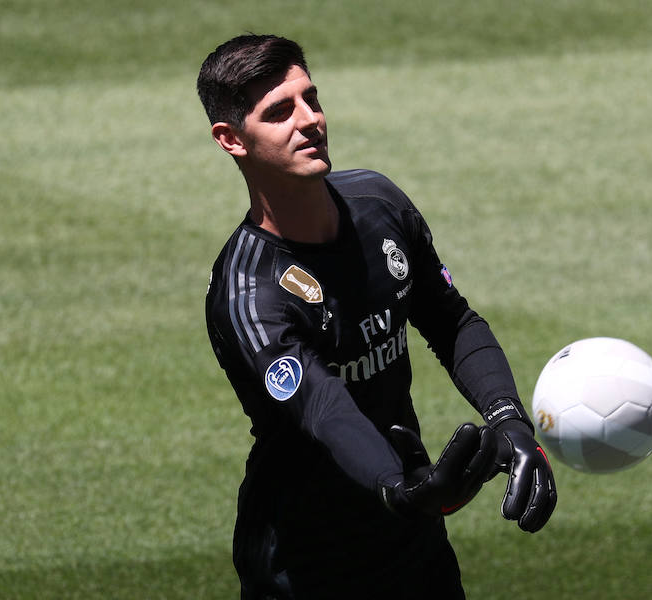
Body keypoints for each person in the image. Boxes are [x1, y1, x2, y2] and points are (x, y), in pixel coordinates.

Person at [197, 34, 557, 599]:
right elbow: (322, 406)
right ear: (231, 139)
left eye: (311, 99)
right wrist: (397, 487)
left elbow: (452, 322)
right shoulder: (250, 294)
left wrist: (510, 419)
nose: (309, 119)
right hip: (305, 568)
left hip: (414, 547)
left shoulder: (378, 204)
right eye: (279, 112)